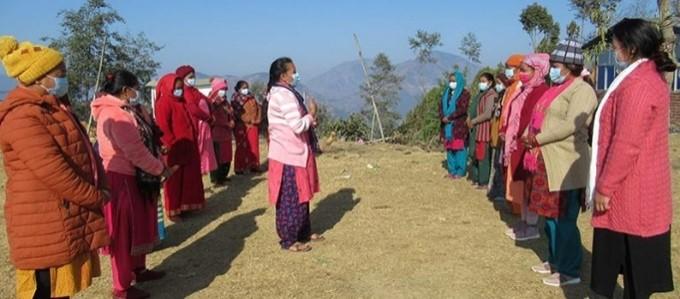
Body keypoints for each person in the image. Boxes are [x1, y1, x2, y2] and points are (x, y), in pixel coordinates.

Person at [0, 36, 109, 299]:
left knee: (59, 291)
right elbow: (54, 172)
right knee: (45, 289)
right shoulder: (23, 117)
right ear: (38, 77)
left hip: (59, 213)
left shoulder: (52, 109)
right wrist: (94, 196)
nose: (64, 78)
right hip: (43, 219)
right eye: (59, 74)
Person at [588, 18, 675, 298]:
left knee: (636, 268)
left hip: (632, 188)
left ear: (632, 47)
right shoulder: (647, 77)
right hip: (638, 186)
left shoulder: (639, 84)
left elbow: (626, 143)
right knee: (632, 264)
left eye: (615, 44)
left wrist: (605, 186)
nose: (613, 49)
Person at [92, 70, 178, 298]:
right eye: (134, 88)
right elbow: (135, 152)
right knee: (122, 233)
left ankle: (138, 268)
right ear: (125, 89)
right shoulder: (115, 115)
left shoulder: (126, 110)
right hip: (122, 179)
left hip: (135, 177)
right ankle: (122, 286)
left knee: (138, 225)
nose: (136, 92)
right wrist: (161, 169)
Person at [519, 40, 597, 287]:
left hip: (567, 163)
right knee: (549, 216)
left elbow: (571, 125)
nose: (553, 68)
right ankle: (554, 261)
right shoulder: (557, 88)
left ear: (570, 66)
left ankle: (570, 269)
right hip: (548, 161)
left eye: (557, 64)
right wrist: (529, 134)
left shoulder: (582, 91)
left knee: (564, 218)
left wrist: (537, 138)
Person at [266, 57, 323, 252]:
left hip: (296, 151)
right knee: (291, 199)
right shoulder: (284, 96)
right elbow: (297, 125)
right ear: (283, 75)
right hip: (287, 155)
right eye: (293, 71)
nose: (296, 75)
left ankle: (303, 232)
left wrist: (310, 119)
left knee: (303, 195)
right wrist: (311, 114)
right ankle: (289, 240)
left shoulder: (286, 93)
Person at [503, 53, 550, 241]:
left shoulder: (542, 91)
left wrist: (525, 136)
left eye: (525, 70)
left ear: (537, 71)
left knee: (530, 186)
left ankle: (531, 225)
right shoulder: (525, 90)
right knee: (522, 185)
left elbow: (536, 119)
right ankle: (523, 222)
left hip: (530, 144)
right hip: (518, 143)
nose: (521, 73)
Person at [154, 73, 205, 221]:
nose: (179, 90)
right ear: (168, 87)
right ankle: (174, 210)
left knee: (188, 178)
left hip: (188, 145)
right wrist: (172, 144)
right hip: (175, 148)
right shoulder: (163, 103)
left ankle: (187, 205)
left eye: (181, 88)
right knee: (175, 182)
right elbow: (163, 127)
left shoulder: (181, 101)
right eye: (176, 88)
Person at [175, 65, 217, 176]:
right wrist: (207, 118)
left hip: (204, 124)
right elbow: (193, 109)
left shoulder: (194, 91)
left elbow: (207, 100)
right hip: (197, 125)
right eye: (190, 77)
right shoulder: (186, 92)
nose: (193, 79)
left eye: (194, 76)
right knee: (200, 150)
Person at [498, 54, 525, 214]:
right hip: (505, 134)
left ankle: (518, 206)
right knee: (506, 168)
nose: (507, 71)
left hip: (515, 136)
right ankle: (511, 203)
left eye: (510, 67)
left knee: (514, 170)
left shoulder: (520, 86)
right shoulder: (510, 86)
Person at [467, 73, 498, 189]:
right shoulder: (480, 95)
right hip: (476, 129)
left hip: (484, 129)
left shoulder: (491, 95)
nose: (481, 83)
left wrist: (474, 121)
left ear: (490, 82)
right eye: (480, 81)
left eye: (484, 81)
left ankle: (483, 180)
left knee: (483, 156)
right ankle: (476, 177)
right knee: (475, 154)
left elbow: (487, 114)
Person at [440, 71, 471, 179]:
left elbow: (462, 109)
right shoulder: (446, 93)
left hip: (458, 126)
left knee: (459, 149)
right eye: (450, 81)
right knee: (450, 149)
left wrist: (450, 117)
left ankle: (460, 171)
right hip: (447, 127)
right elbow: (440, 106)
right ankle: (451, 170)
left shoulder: (464, 94)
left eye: (454, 81)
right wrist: (443, 117)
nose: (451, 83)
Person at [208, 77, 235, 186]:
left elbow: (230, 114)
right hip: (217, 135)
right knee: (218, 158)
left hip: (227, 134)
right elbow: (214, 118)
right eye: (221, 89)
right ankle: (216, 179)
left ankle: (224, 176)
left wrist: (232, 120)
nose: (223, 91)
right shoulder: (212, 102)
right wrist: (226, 123)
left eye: (225, 89)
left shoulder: (225, 102)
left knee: (227, 157)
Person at [232, 80, 262, 174]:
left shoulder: (252, 98)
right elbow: (237, 113)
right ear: (239, 89)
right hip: (241, 126)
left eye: (247, 87)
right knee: (241, 147)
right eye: (243, 88)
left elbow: (258, 108)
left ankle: (254, 166)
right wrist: (247, 120)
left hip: (253, 125)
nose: (246, 89)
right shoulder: (235, 100)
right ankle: (239, 167)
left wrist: (257, 119)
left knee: (254, 146)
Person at [488, 73, 509, 200]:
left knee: (500, 165)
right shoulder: (499, 97)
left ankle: (501, 191)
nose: (498, 86)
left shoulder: (507, 97)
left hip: (501, 136)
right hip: (495, 135)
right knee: (495, 163)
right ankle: (494, 189)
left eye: (500, 83)